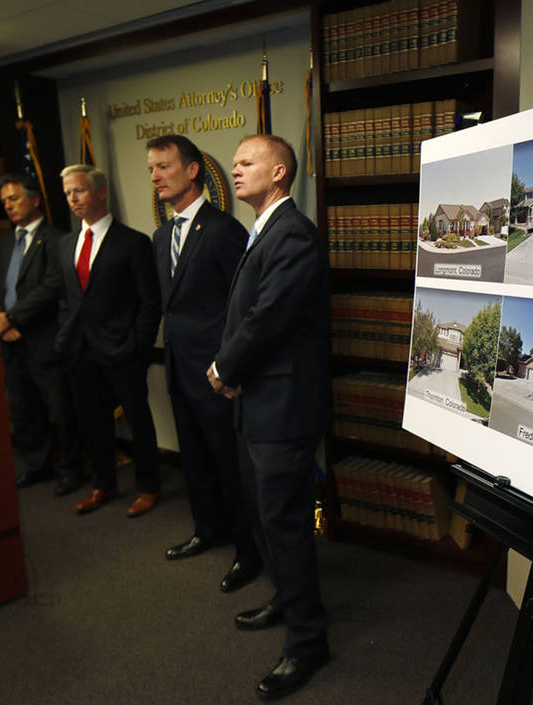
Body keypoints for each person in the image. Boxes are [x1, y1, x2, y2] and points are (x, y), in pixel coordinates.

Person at [208, 135, 330, 701]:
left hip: (282, 409)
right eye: (232, 164)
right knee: (263, 515)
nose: (234, 170)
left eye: (246, 162)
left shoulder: (294, 233)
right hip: (256, 401)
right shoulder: (264, 230)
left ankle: (308, 643)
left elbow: (267, 317)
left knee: (285, 523)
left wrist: (223, 366)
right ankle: (285, 599)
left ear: (279, 172)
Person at [146, 135, 260, 592]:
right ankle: (207, 529)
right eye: (151, 168)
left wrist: (228, 367)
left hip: (216, 375)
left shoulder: (222, 230)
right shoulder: (161, 236)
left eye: (163, 166)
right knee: (194, 461)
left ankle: (248, 552)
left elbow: (244, 305)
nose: (154, 176)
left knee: (230, 465)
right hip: (179, 370)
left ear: (192, 170)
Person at [55, 165, 162, 517]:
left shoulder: (132, 242)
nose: (72, 199)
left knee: (138, 418)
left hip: (122, 351)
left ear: (101, 192)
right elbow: (66, 299)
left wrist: (138, 348)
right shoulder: (65, 244)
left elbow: (149, 303)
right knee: (92, 421)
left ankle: (148, 487)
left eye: (80, 190)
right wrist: (64, 335)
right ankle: (104, 484)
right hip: (79, 351)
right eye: (68, 192)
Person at [0, 174, 82, 496]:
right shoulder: (2, 243)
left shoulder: (56, 240)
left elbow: (52, 286)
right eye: (5, 202)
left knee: (60, 410)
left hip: (42, 339)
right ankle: (38, 465)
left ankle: (71, 469)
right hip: (10, 342)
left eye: (14, 199)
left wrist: (12, 317)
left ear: (35, 200)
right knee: (24, 410)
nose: (8, 206)